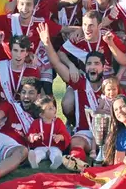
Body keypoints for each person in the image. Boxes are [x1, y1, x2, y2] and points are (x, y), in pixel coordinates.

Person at [39, 22, 105, 169]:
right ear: (85, 67)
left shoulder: (111, 85)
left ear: (103, 67)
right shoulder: (80, 82)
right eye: (89, 64)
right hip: (85, 133)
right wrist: (47, 43)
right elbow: (56, 63)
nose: (92, 67)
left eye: (96, 64)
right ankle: (77, 163)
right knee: (76, 143)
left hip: (106, 132)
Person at [0, 35, 40, 112]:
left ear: (27, 53)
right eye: (15, 50)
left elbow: (37, 98)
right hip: (2, 113)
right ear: (10, 51)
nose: (18, 55)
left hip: (24, 115)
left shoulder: (32, 70)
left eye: (22, 51)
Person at [26, 96, 70, 169]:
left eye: (53, 106)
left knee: (56, 153)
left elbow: (65, 134)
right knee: (38, 152)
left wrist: (60, 137)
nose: (54, 109)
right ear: (42, 114)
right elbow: (30, 135)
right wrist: (34, 136)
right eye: (50, 108)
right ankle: (34, 161)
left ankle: (55, 162)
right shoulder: (36, 123)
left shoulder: (58, 122)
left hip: (54, 146)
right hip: (40, 146)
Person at [100, 95, 126, 166]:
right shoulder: (121, 134)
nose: (119, 111)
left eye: (123, 107)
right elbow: (118, 164)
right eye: (116, 109)